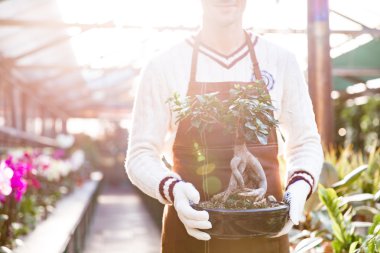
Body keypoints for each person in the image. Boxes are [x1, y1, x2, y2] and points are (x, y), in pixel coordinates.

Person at [125, 0, 324, 252]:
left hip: (265, 227)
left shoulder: (280, 61)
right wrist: (174, 190)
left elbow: (305, 142)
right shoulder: (164, 65)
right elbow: (140, 154)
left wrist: (298, 187)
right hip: (191, 230)